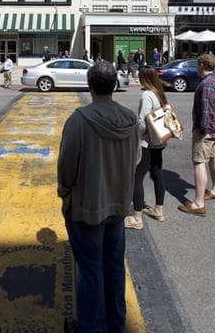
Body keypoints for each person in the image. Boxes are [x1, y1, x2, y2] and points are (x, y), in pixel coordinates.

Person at [57, 61, 140, 333]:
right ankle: (116, 324)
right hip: (118, 204)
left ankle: (92, 327)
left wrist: (65, 191)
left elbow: (66, 167)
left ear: (90, 86)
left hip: (86, 207)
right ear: (115, 85)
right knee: (114, 268)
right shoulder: (130, 119)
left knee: (91, 270)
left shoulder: (80, 120)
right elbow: (136, 159)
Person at [125, 67, 173, 229]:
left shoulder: (147, 94)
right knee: (157, 173)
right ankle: (159, 209)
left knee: (137, 178)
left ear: (144, 79)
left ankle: (137, 217)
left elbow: (142, 121)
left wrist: (135, 135)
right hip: (159, 141)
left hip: (147, 142)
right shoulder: (159, 92)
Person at [179, 53, 215, 216]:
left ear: (202, 65)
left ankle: (198, 203)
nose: (196, 67)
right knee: (213, 157)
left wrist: (204, 130)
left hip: (205, 131)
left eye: (197, 65)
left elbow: (206, 110)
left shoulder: (206, 84)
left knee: (199, 162)